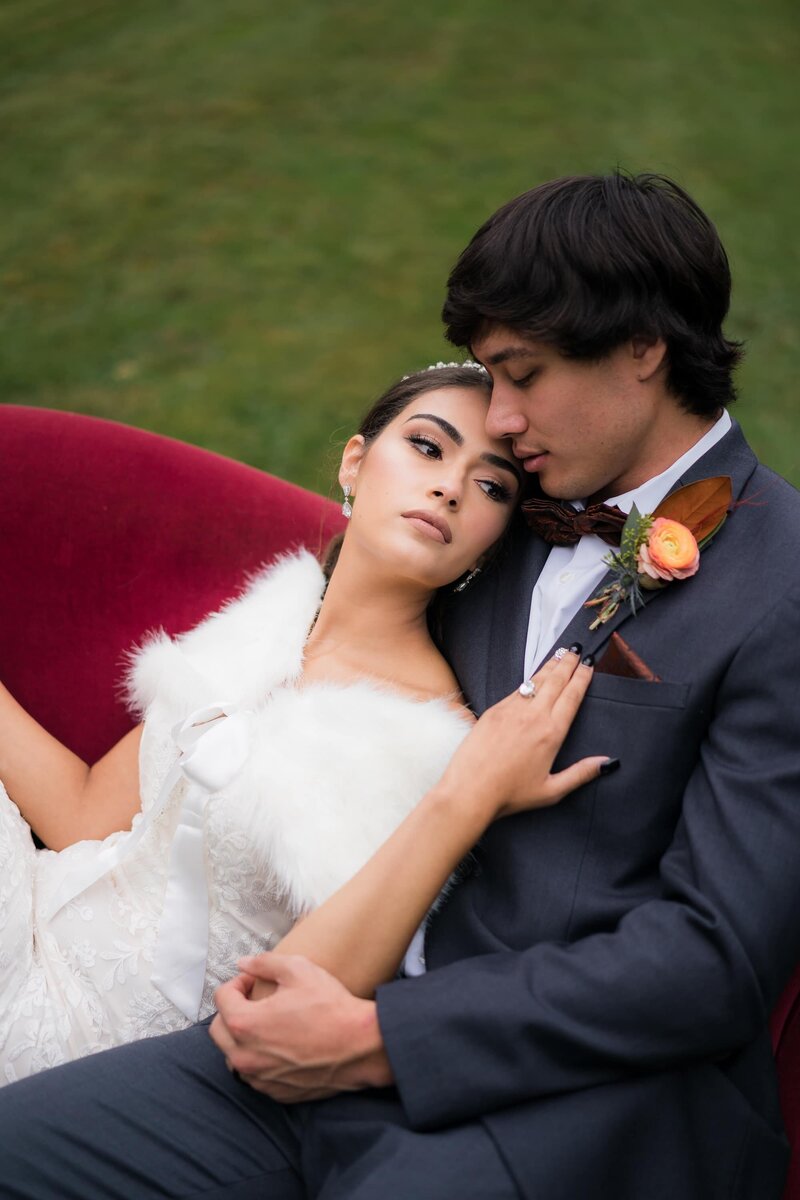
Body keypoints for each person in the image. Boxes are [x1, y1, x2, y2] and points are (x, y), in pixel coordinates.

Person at [1, 170, 798, 1200]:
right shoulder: (496, 515)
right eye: (481, 381)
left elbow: (711, 959)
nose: (498, 421)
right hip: (313, 1017)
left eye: (521, 375)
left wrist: (379, 1038)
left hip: (564, 1099)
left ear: (643, 348)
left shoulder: (778, 586)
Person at [0, 362, 602, 1085]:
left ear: (490, 542)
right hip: (32, 917)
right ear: (355, 462)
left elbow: (291, 999)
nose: (448, 486)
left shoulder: (423, 740)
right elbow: (85, 815)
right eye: (428, 447)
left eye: (490, 485)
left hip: (107, 1051)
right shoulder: (267, 622)